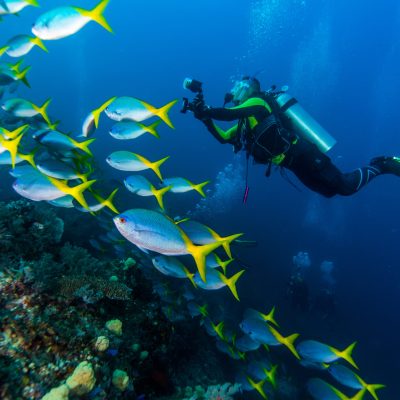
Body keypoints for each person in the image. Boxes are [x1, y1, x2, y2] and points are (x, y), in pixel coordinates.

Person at [190, 77, 400, 198]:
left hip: (303, 153)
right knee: (329, 192)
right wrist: (205, 120)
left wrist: (206, 110)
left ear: (251, 89)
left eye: (240, 86)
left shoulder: (259, 103)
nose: (234, 90)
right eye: (235, 87)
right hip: (292, 165)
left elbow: (228, 114)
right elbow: (224, 137)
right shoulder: (245, 122)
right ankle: (380, 165)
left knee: (344, 187)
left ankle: (384, 165)